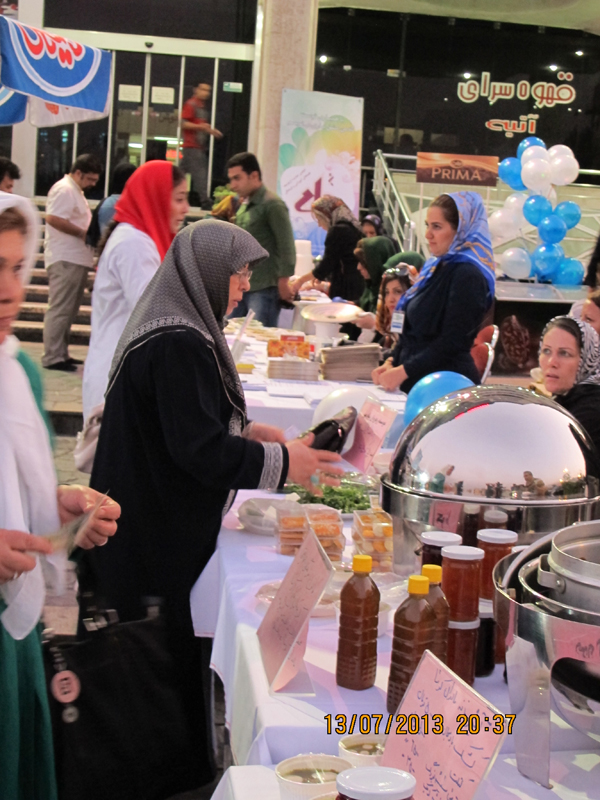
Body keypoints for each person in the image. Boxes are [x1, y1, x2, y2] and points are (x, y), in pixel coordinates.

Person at [78, 219, 343, 792]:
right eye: (239, 272)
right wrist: (284, 464)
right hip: (146, 533)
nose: (245, 284)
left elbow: (182, 422)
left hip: (142, 520)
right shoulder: (178, 340)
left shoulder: (176, 327)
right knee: (146, 665)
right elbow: (197, 450)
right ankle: (152, 775)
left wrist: (246, 433)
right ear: (206, 271)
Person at [0, 191, 120, 800]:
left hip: (12, 634)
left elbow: (20, 492)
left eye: (17, 267)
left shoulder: (15, 369)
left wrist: (61, 507)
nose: (8, 291)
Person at [82, 161, 189, 421]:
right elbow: (157, 314)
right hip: (119, 377)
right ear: (155, 197)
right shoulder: (134, 243)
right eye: (179, 199)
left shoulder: (138, 238)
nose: (186, 208)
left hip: (126, 372)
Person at [372, 192, 494, 393]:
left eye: (436, 227)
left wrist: (404, 371)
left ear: (460, 230)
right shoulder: (435, 267)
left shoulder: (468, 276)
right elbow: (411, 333)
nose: (428, 234)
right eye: (427, 225)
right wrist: (391, 361)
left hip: (446, 387)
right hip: (419, 382)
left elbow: (452, 343)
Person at [42, 153, 102, 372]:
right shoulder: (64, 189)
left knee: (69, 309)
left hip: (75, 258)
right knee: (61, 308)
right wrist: (81, 233)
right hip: (65, 257)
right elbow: (53, 218)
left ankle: (61, 352)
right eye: (90, 179)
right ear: (78, 173)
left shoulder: (75, 191)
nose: (92, 184)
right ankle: (53, 356)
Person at [227, 152, 296, 326]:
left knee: (258, 337)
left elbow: (286, 245)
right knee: (229, 334)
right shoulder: (245, 205)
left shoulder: (272, 204)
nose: (233, 185)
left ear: (254, 176)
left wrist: (283, 282)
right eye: (231, 179)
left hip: (264, 288)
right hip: (241, 285)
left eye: (237, 178)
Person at [539, 315, 600, 458]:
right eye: (546, 351)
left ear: (586, 360)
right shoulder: (566, 399)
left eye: (564, 353)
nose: (551, 362)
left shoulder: (591, 411)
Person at [290, 195, 364, 303]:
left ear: (326, 215)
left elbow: (326, 264)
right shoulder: (352, 227)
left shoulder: (338, 230)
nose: (319, 224)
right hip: (356, 285)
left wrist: (300, 281)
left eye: (319, 219)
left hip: (346, 288)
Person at [180, 81, 222, 208]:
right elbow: (183, 123)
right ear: (196, 90)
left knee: (179, 175)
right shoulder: (191, 104)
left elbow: (200, 126)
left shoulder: (201, 107)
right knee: (200, 174)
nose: (206, 93)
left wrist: (210, 131)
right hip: (192, 146)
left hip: (195, 147)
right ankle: (205, 201)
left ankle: (163, 195)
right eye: (203, 89)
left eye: (208, 90)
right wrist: (202, 128)